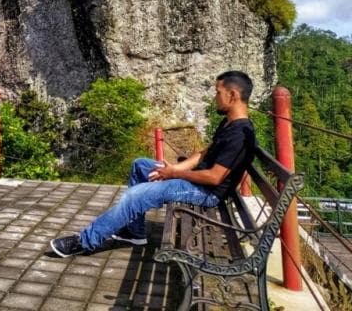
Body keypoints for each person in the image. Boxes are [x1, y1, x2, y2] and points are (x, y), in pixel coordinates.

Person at [50, 70, 257, 257]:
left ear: (232, 95)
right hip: (196, 182)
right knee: (140, 165)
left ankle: (85, 241)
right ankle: (135, 232)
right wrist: (174, 169)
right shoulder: (229, 123)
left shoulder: (240, 135)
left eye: (218, 92)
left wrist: (174, 174)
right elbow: (204, 153)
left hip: (207, 193)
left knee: (135, 196)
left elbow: (214, 177)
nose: (215, 98)